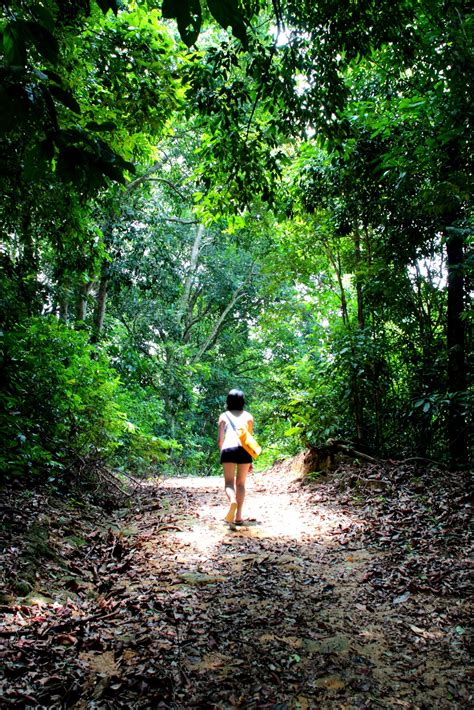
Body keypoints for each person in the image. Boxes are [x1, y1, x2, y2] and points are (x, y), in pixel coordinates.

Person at [218, 388, 254, 524]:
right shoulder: (249, 417)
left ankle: (232, 501)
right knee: (241, 484)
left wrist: (223, 452)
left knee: (229, 483)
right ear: (242, 401)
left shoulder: (223, 416)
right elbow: (248, 439)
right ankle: (238, 516)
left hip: (228, 449)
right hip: (244, 450)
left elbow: (220, 440)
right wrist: (251, 461)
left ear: (228, 401)